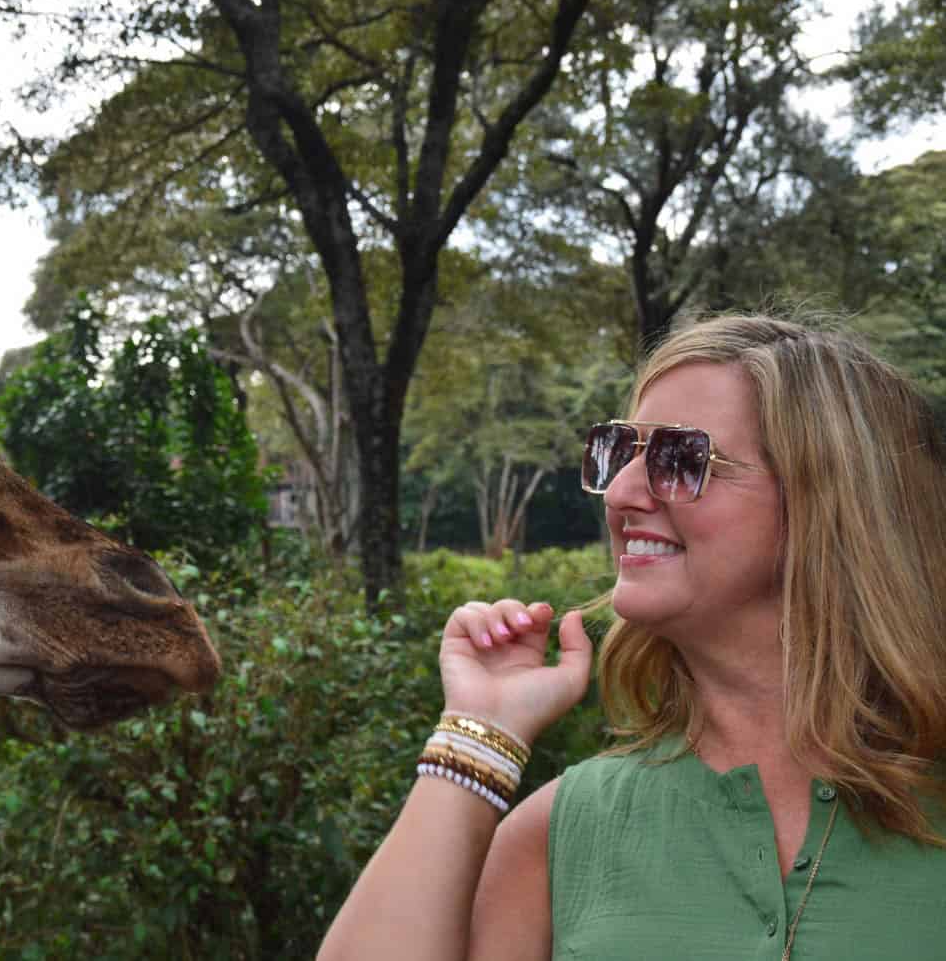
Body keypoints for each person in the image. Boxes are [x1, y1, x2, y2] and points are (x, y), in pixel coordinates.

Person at [318, 314, 946, 960]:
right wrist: (477, 735)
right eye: (618, 453)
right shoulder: (568, 831)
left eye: (680, 459)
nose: (618, 493)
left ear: (826, 501)